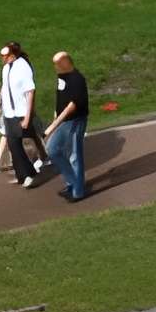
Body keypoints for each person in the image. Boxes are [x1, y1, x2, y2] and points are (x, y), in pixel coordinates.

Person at [0, 41, 39, 185]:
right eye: (1, 56)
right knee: (14, 144)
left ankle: (26, 176)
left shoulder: (23, 67)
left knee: (16, 143)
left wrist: (27, 117)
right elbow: (5, 88)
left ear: (13, 55)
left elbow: (30, 92)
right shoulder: (6, 69)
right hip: (9, 113)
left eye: (5, 56)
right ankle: (26, 173)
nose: (2, 58)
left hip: (21, 113)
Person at [46, 49, 91, 202]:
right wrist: (55, 118)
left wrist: (54, 125)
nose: (55, 67)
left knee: (74, 156)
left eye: (57, 64)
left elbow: (72, 106)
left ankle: (77, 191)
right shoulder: (62, 77)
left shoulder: (77, 79)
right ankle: (73, 182)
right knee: (52, 151)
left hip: (75, 121)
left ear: (65, 63)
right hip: (63, 121)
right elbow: (60, 98)